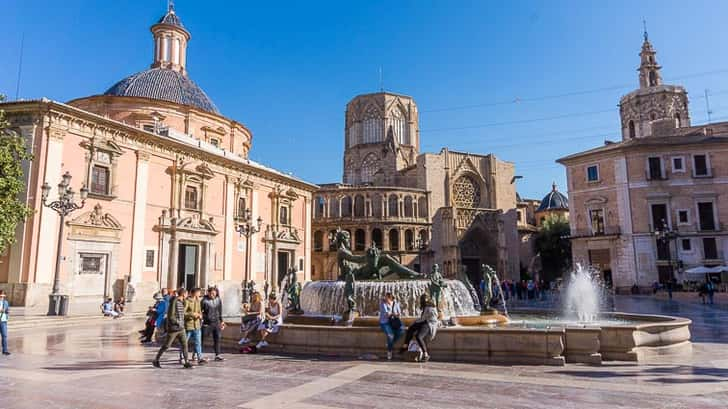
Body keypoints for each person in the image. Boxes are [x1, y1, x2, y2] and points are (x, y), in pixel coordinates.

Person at [152, 287, 192, 369]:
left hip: (181, 328)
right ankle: (156, 359)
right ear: (183, 294)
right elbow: (171, 316)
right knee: (167, 345)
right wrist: (177, 322)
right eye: (186, 294)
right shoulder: (174, 301)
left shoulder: (181, 302)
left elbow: (182, 313)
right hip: (174, 328)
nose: (187, 295)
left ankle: (186, 362)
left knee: (185, 344)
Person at [201, 286, 226, 361]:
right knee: (202, 339)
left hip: (216, 322)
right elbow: (200, 311)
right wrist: (203, 318)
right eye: (211, 293)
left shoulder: (218, 300)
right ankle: (198, 354)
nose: (213, 295)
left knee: (217, 338)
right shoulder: (204, 301)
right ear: (208, 293)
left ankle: (217, 355)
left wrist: (222, 321)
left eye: (214, 293)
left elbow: (220, 311)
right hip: (207, 323)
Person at [379, 292, 403, 360]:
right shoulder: (383, 303)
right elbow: (387, 314)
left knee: (402, 331)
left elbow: (399, 313)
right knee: (390, 335)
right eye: (385, 297)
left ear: (391, 298)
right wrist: (394, 314)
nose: (385, 298)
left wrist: (395, 314)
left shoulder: (396, 303)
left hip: (394, 321)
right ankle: (389, 351)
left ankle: (390, 343)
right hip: (385, 322)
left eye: (387, 297)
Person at [183, 288, 205, 364]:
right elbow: (183, 313)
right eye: (198, 293)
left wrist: (200, 315)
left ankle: (200, 358)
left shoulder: (198, 301)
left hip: (197, 325)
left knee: (198, 342)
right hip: (188, 325)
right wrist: (192, 314)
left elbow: (199, 311)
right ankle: (182, 357)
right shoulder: (187, 301)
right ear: (193, 293)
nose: (199, 294)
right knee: (185, 342)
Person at [0, 290, 9, 356]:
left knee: (4, 336)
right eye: (1, 295)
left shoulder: (6, 302)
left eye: (3, 295)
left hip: (3, 321)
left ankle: (5, 350)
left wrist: (6, 314)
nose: (2, 296)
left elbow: (7, 310)